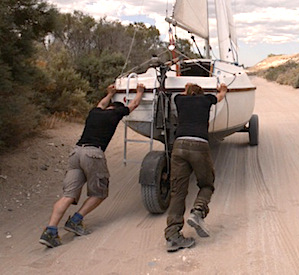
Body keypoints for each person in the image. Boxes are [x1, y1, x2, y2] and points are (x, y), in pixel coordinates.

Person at [39, 83, 145, 248]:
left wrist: (110, 93)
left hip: (76, 153)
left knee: (68, 195)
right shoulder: (117, 114)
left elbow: (101, 104)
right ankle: (76, 220)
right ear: (117, 109)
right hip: (92, 154)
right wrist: (140, 92)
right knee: (100, 192)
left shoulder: (94, 112)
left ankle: (50, 230)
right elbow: (134, 104)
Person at [165, 82, 228, 252]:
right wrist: (223, 90)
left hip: (179, 145)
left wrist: (185, 87)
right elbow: (220, 97)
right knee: (206, 184)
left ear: (187, 92)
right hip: (199, 145)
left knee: (178, 191)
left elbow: (181, 92)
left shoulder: (179, 99)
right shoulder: (207, 99)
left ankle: (172, 235)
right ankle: (198, 211)